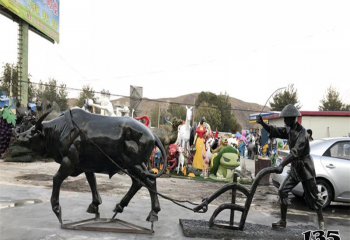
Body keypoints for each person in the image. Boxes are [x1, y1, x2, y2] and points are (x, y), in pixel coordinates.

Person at [256, 104, 325, 230]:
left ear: (293, 118)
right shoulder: (288, 129)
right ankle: (283, 221)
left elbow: (295, 152)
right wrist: (262, 123)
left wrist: (282, 164)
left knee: (314, 197)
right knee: (283, 191)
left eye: (286, 118)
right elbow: (274, 130)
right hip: (295, 168)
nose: (284, 120)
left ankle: (321, 222)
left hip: (305, 168)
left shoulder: (302, 133)